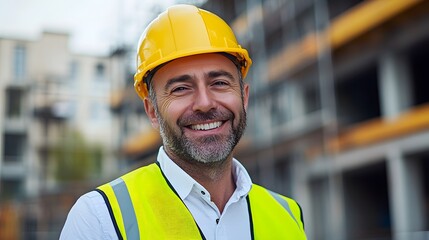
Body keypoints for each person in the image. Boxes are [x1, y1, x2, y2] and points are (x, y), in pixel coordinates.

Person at [60, 4, 306, 240]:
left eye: (219, 83)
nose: (205, 103)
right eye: (180, 88)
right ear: (152, 112)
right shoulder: (100, 220)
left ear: (244, 97)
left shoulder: (288, 215)